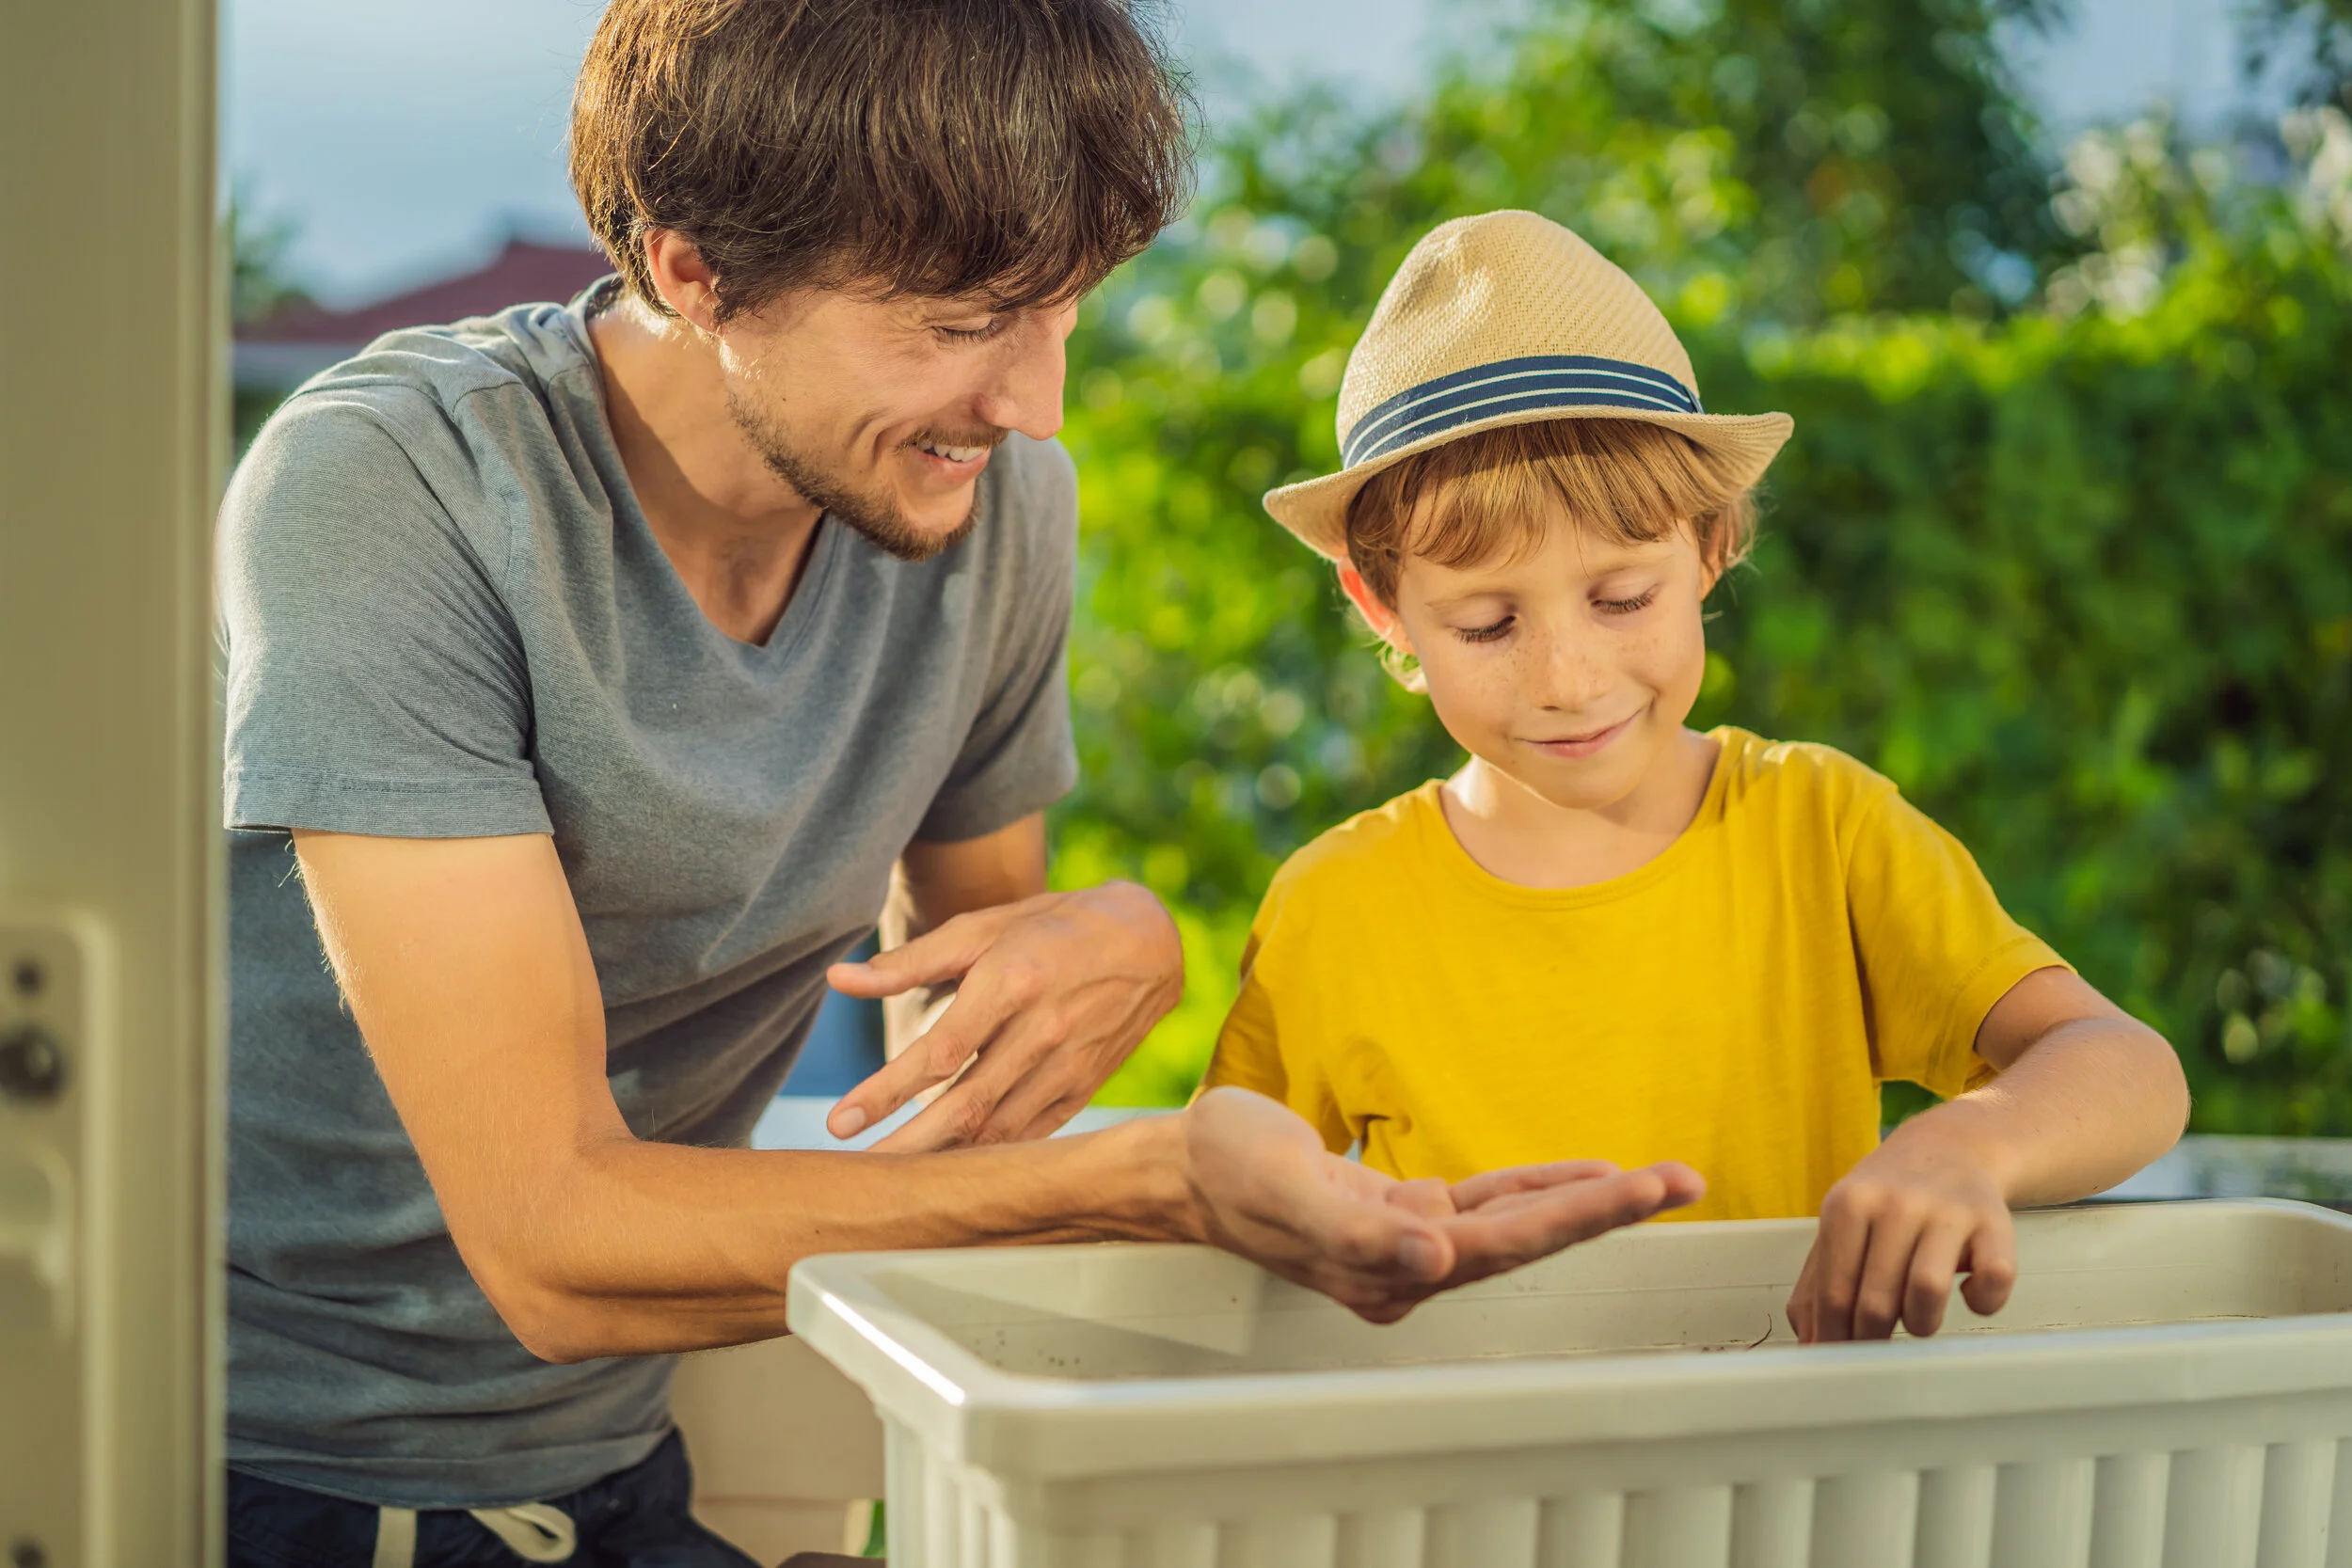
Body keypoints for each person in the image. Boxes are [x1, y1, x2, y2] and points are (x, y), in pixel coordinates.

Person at [215, 10, 1700, 1567]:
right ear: (692, 268)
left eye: (1062, 313)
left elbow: (958, 1112)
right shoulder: (388, 492)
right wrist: (1150, 1180)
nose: (1035, 406)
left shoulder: (985, 513)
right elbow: (549, 1241)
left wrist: (1115, 940)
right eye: (954, 324)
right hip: (248, 1481)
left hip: (611, 1475)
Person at [1202, 209, 2190, 1350]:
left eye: (1622, 598)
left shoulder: (1823, 830)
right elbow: (1220, 1216)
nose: (1567, 677)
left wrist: (1966, 1142)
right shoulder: (1334, 907)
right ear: (1385, 611)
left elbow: (2128, 1069)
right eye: (1484, 622)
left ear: (1713, 543)